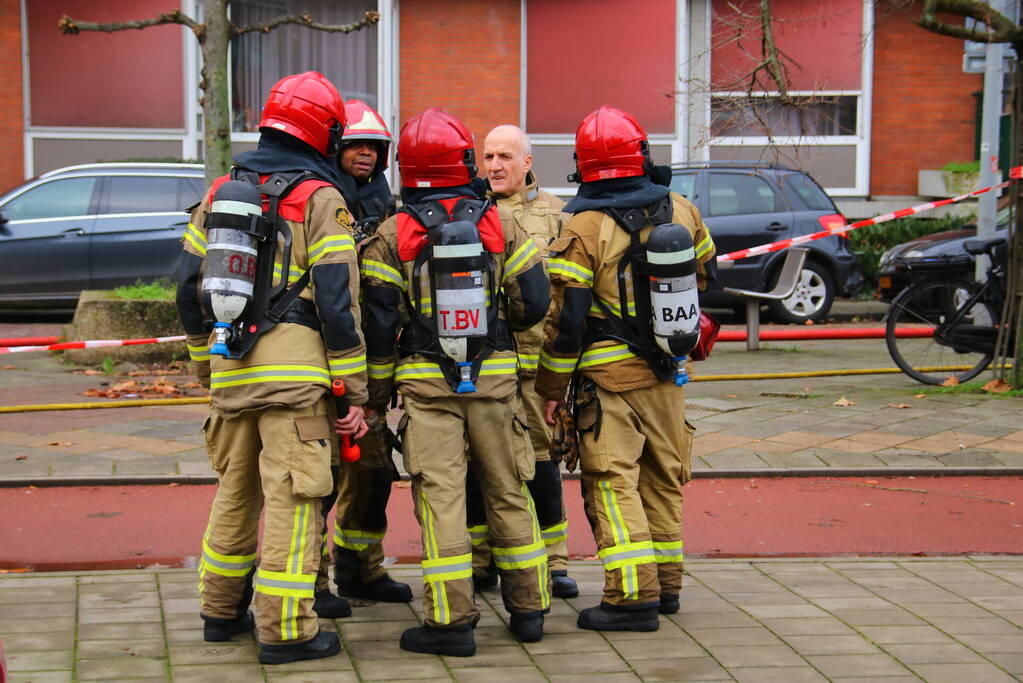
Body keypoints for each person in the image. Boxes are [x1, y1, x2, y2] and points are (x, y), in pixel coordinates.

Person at [175, 71, 368, 664]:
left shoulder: (219, 194)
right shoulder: (321, 199)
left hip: (230, 367)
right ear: (323, 132)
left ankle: (219, 610)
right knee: (293, 497)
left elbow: (186, 289)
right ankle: (286, 630)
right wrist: (352, 388)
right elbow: (337, 301)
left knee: (235, 492)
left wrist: (207, 366)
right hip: (294, 379)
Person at [359, 107, 552, 656]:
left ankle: (450, 623)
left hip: (426, 385)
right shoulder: (499, 221)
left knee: (441, 497)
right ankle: (530, 610)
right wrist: (500, 334)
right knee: (509, 489)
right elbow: (534, 302)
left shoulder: (391, 234)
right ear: (462, 160)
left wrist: (376, 395)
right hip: (494, 381)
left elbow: (378, 324)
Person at [534, 106, 716, 632]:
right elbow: (707, 278)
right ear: (642, 154)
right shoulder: (682, 209)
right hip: (668, 372)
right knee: (663, 478)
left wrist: (551, 386)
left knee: (613, 482)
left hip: (608, 381)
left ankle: (631, 598)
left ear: (583, 165)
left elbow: (568, 321)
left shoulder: (583, 226)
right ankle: (667, 586)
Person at [465, 124, 577, 599]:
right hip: (486, 364)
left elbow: (570, 292)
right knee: (479, 461)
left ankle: (553, 562)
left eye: (505, 157)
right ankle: (479, 559)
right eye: (488, 156)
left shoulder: (558, 216)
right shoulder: (470, 213)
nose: (494, 166)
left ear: (527, 162)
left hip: (536, 366)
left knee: (542, 462)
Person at [315, 99, 413, 606]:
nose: (366, 156)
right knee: (322, 477)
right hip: (318, 359)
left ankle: (361, 570)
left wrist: (380, 384)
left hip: (371, 364)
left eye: (374, 148)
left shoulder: (385, 208)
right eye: (355, 145)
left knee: (372, 474)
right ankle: (311, 579)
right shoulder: (316, 200)